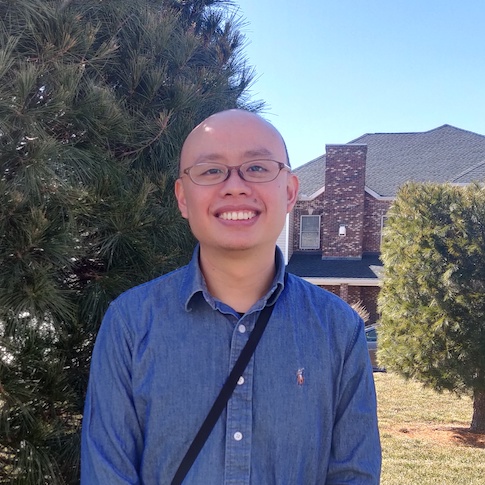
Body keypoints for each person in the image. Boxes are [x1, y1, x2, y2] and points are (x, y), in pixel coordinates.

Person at [81, 109, 381, 484]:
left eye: (256, 168)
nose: (235, 186)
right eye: (210, 170)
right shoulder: (130, 323)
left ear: (289, 191)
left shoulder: (338, 329)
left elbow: (353, 474)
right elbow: (107, 473)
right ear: (183, 198)